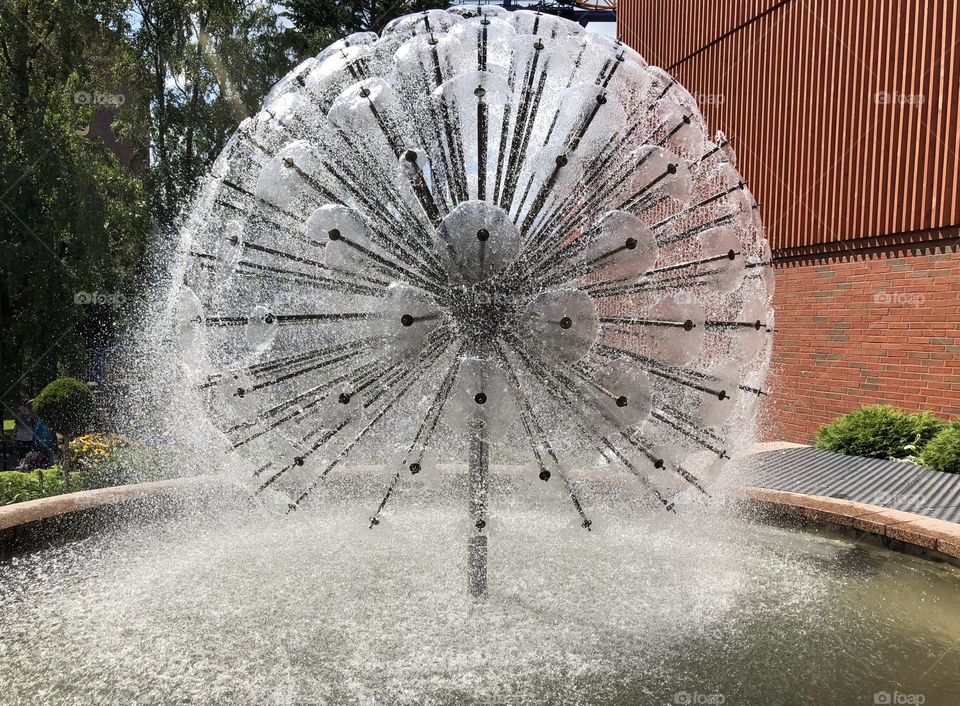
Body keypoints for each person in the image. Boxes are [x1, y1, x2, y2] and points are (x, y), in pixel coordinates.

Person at [13, 400, 37, 465]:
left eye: (20, 406)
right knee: (21, 454)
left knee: (28, 453)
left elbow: (34, 426)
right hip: (20, 437)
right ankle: (21, 465)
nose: (19, 408)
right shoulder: (19, 415)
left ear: (24, 406)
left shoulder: (32, 415)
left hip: (29, 438)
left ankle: (28, 465)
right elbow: (16, 426)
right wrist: (13, 434)